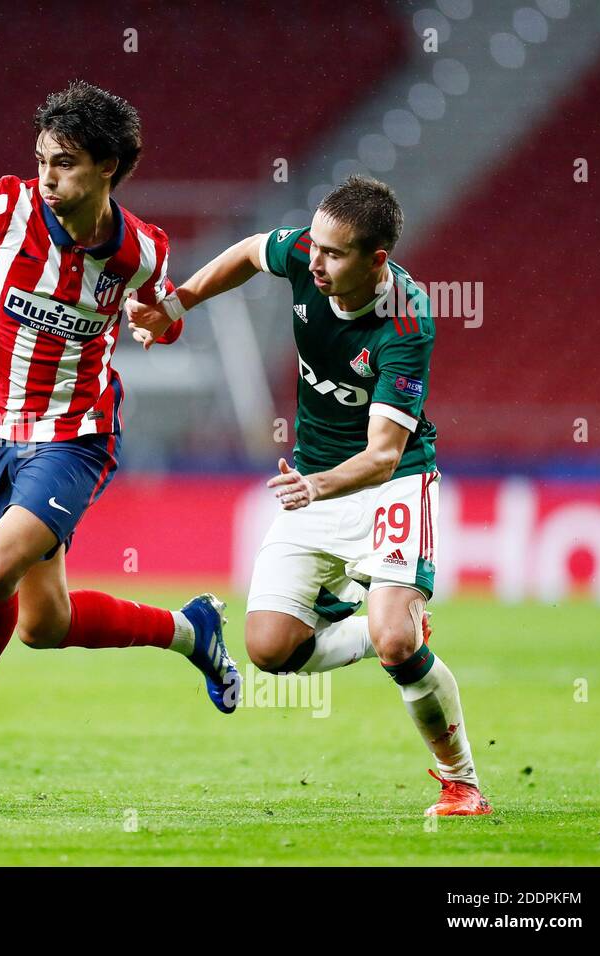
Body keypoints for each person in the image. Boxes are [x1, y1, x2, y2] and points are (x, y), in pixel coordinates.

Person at [0, 81, 239, 779]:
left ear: (107, 168)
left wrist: (161, 323)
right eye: (42, 160)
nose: (48, 177)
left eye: (64, 163)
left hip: (76, 435)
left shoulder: (142, 251)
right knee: (42, 625)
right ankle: (193, 631)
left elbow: (167, 312)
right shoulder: (5, 206)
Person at [127, 175, 490, 815]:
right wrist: (175, 304)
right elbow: (245, 252)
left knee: (398, 646)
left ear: (376, 259)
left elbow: (381, 456)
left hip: (392, 483)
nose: (312, 262)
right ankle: (383, 624)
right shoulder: (306, 255)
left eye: (332, 253)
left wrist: (314, 485)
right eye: (312, 246)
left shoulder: (406, 323)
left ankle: (460, 780)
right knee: (268, 650)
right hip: (314, 484)